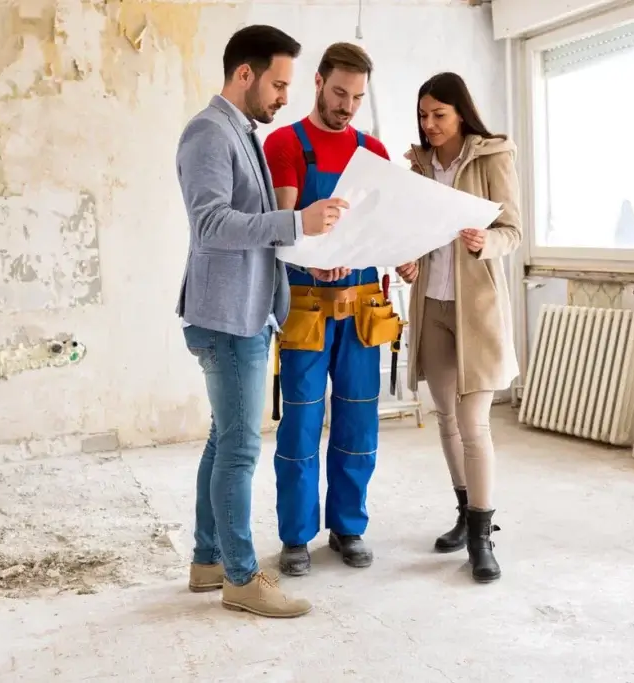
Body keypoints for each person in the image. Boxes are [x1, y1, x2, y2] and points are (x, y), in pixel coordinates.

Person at [175, 24, 349, 618]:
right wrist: (297, 221)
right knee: (241, 449)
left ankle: (207, 560)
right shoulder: (208, 132)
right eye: (277, 83)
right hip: (226, 319)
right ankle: (243, 578)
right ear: (243, 75)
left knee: (224, 440)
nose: (284, 96)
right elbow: (211, 226)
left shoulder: (240, 130)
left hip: (241, 312)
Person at [263, 42, 396, 577]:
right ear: (317, 82)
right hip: (305, 304)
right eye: (339, 92)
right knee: (300, 421)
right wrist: (315, 265)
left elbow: (384, 227)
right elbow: (283, 227)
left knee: (359, 419)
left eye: (357, 97)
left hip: (363, 304)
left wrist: (401, 258)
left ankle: (349, 526)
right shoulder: (284, 144)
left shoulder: (375, 152)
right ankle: (296, 536)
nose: (347, 106)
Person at [395, 72, 521, 584]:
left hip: (478, 313)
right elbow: (413, 234)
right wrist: (408, 263)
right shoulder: (419, 166)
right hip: (433, 307)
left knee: (475, 425)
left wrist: (483, 244)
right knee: (445, 418)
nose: (429, 125)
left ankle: (481, 539)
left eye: (438, 115)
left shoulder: (491, 157)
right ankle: (464, 514)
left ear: (461, 113)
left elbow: (511, 231)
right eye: (423, 115)